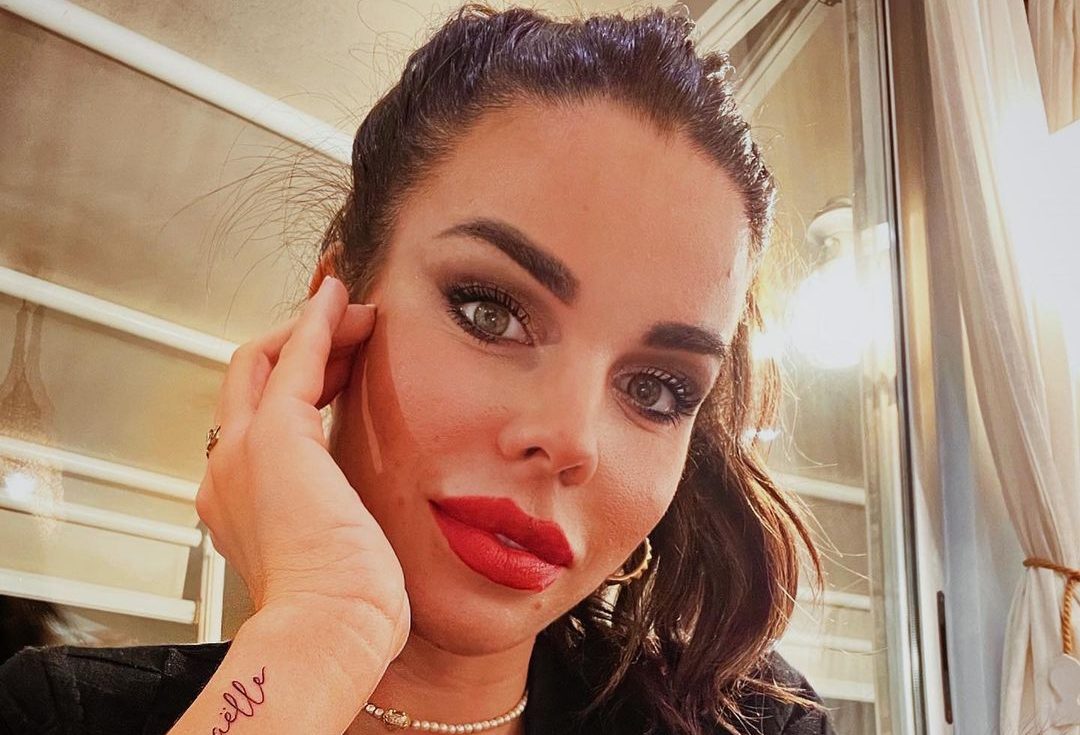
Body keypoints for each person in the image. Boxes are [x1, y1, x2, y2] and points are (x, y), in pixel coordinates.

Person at [0, 3, 837, 733]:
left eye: (656, 389)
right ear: (332, 318)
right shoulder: (58, 711)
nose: (569, 438)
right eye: (490, 310)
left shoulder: (755, 724)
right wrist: (327, 629)